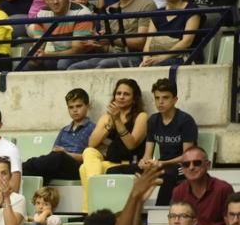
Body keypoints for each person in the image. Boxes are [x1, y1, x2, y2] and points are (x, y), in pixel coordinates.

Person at [78, 78, 148, 212]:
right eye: (118, 93)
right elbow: (92, 143)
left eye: (126, 94)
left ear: (134, 99)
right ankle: (94, 202)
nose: (121, 97)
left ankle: (89, 210)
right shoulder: (107, 117)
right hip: (109, 162)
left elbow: (131, 144)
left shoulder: (141, 116)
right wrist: (111, 122)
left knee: (83, 169)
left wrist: (118, 120)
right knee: (88, 152)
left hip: (128, 163)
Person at [68, 0, 155, 71]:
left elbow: (141, 42)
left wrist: (111, 39)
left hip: (134, 56)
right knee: (74, 68)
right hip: (110, 55)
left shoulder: (146, 5)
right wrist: (97, 42)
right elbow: (108, 46)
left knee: (103, 66)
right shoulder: (109, 10)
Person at [138, 78, 197, 206]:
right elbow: (148, 153)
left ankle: (160, 209)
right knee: (118, 170)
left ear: (175, 100)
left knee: (170, 173)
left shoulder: (185, 121)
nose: (160, 102)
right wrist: (144, 162)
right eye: (157, 98)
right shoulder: (153, 120)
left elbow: (187, 157)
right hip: (161, 164)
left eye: (165, 98)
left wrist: (162, 163)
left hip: (184, 166)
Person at [22, 88, 94, 184]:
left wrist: (66, 154)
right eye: (71, 107)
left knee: (59, 156)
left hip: (77, 168)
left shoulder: (93, 128)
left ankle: (22, 166)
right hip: (59, 166)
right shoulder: (64, 130)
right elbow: (53, 153)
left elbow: (92, 158)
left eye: (78, 106)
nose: (75, 110)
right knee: (30, 173)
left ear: (87, 106)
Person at [169, 147, 232, 225]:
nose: (191, 167)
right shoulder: (178, 191)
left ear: (208, 165)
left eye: (197, 163)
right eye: (186, 164)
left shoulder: (223, 189)